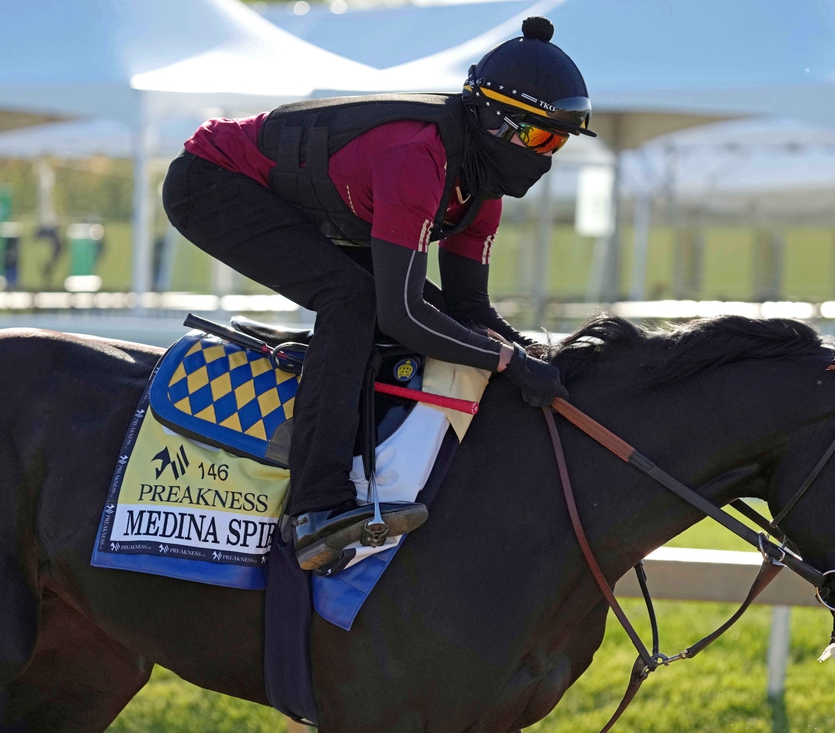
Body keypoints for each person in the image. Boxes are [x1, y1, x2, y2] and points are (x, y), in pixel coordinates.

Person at [162, 16, 593, 570]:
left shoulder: (483, 190)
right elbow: (401, 314)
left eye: (559, 140)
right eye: (540, 135)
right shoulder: (417, 156)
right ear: (493, 119)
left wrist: (534, 354)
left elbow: (468, 310)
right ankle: (316, 508)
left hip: (292, 201)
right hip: (210, 181)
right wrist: (507, 363)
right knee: (356, 301)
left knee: (433, 313)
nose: (548, 153)